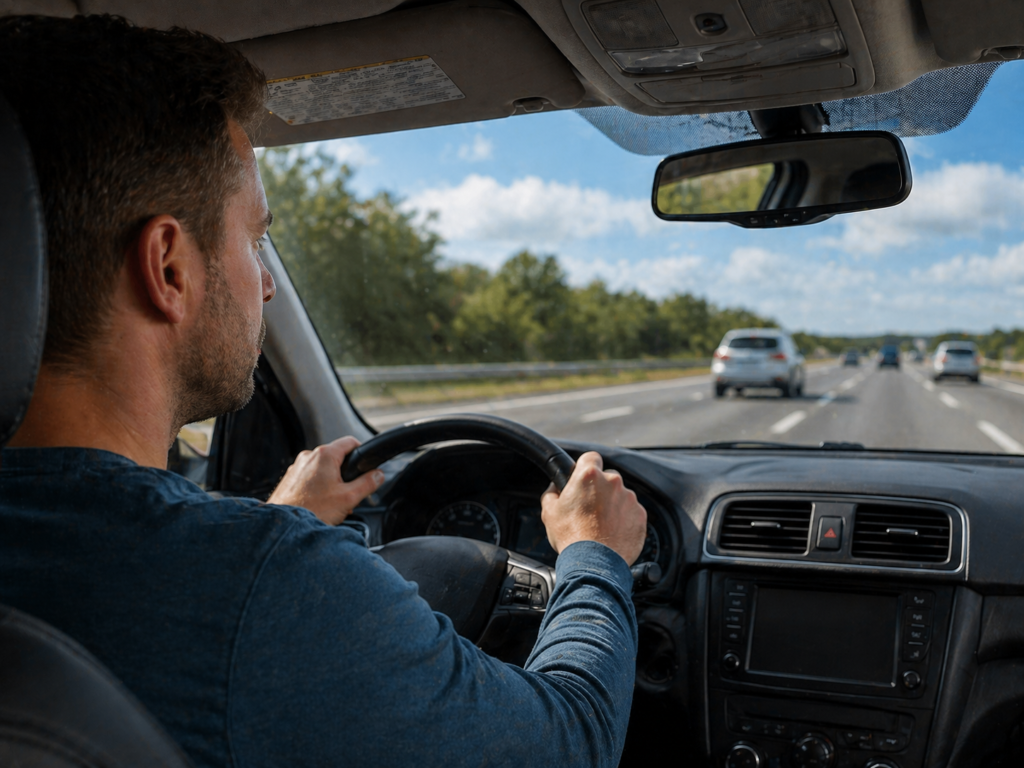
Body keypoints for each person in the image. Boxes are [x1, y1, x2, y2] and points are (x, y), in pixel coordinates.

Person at [0, 14, 648, 768]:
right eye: (253, 236)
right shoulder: (267, 586)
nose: (267, 282)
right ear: (170, 268)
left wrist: (277, 521)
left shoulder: (219, 577)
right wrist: (595, 555)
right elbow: (571, 743)